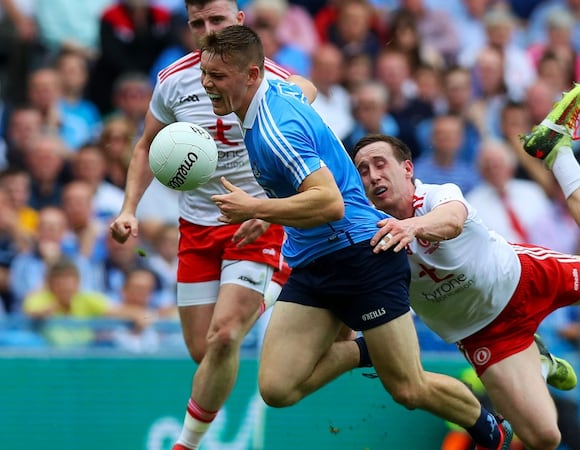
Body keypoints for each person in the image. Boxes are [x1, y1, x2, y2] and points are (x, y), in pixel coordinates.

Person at [203, 25, 514, 450]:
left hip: (362, 255)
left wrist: (256, 207)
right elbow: (304, 87)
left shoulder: (275, 131)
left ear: (251, 75)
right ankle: (366, 350)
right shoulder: (277, 94)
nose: (207, 84)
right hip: (314, 262)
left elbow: (329, 203)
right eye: (206, 73)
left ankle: (489, 430)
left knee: (408, 389)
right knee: (276, 388)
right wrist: (275, 206)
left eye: (218, 77)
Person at [350, 82, 580, 449]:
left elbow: (452, 221)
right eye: (362, 170)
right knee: (544, 437)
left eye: (380, 164)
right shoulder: (366, 239)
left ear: (408, 169)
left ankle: (558, 154)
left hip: (525, 279)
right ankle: (540, 364)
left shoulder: (437, 194)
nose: (373, 175)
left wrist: (411, 226)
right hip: (486, 335)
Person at [107, 2, 314, 450]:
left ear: (240, 21)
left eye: (217, 20)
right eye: (198, 23)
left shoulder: (264, 75)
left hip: (258, 223)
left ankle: (186, 445)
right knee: (207, 352)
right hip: (197, 228)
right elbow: (145, 146)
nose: (207, 31)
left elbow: (306, 89)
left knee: (225, 334)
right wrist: (128, 209)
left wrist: (269, 207)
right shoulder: (172, 81)